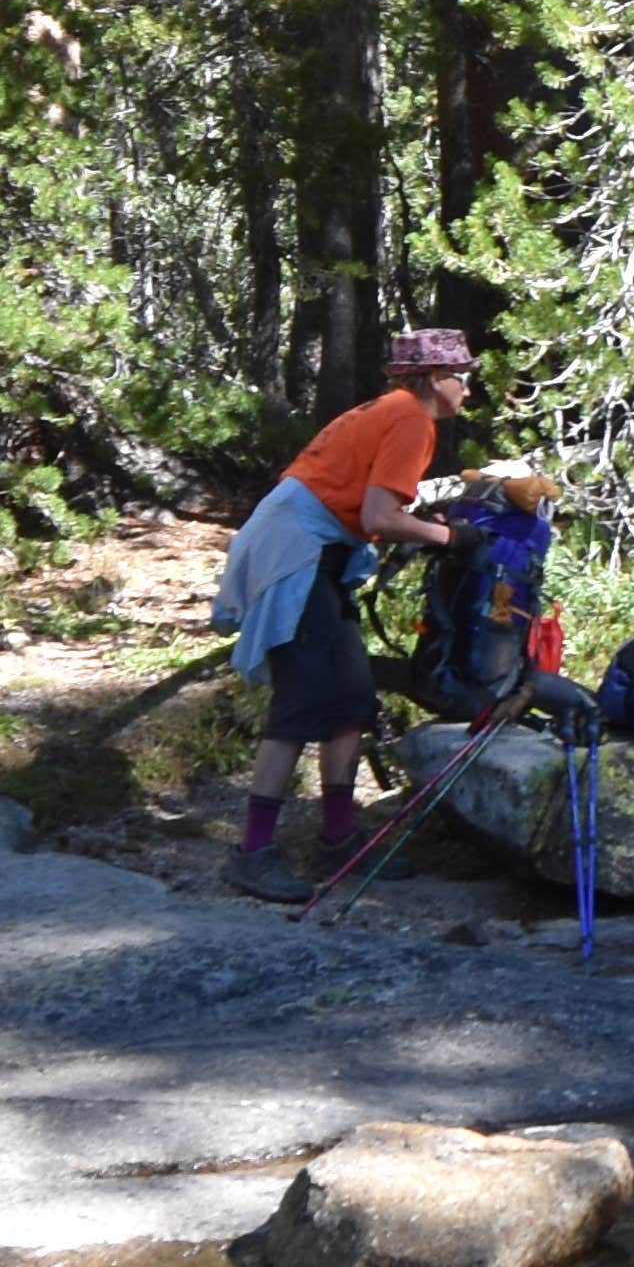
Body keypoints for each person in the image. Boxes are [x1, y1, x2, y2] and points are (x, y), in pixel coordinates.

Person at [210, 329, 476, 901]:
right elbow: (381, 517)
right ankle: (252, 852)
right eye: (462, 377)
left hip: (310, 548)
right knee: (303, 698)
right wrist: (451, 537)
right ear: (433, 379)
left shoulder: (393, 410)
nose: (468, 390)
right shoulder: (412, 419)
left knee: (352, 697)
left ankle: (337, 836)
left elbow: (368, 498)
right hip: (295, 551)